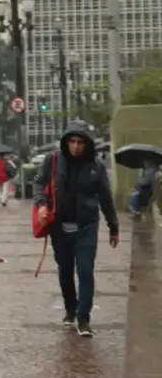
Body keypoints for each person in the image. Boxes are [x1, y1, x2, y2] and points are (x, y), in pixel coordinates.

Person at [33, 120, 119, 337]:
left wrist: (113, 226)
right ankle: (70, 308)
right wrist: (42, 204)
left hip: (86, 225)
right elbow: (38, 183)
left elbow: (106, 197)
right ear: (66, 142)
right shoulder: (52, 160)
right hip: (59, 226)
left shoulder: (95, 166)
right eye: (72, 141)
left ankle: (84, 317)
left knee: (85, 270)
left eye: (80, 142)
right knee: (65, 270)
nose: (76, 146)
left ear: (86, 143)